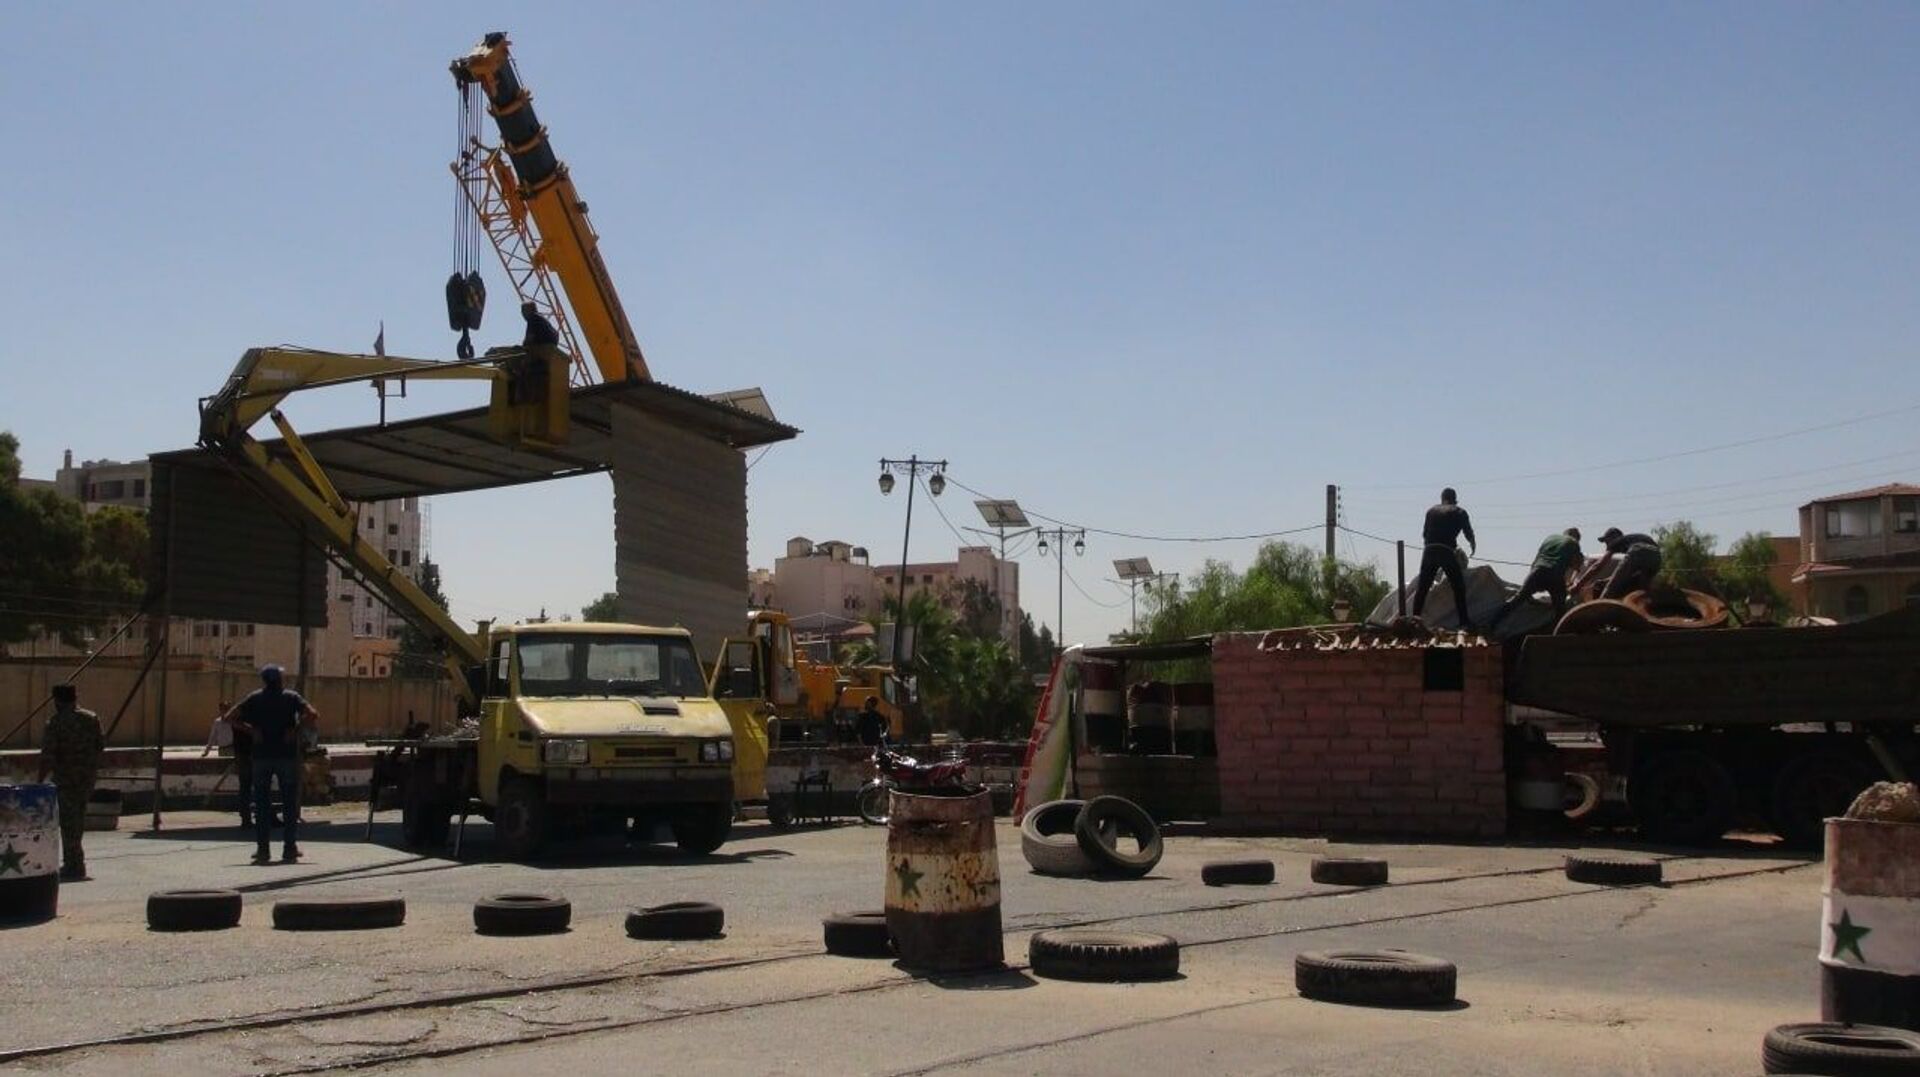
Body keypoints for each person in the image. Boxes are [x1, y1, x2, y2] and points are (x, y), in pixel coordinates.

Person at [224, 665, 318, 865]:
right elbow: (313, 714)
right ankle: (289, 849)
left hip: (261, 756)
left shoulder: (254, 698)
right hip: (286, 756)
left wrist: (251, 731)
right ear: (280, 679)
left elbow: (229, 717)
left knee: (261, 804)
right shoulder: (292, 697)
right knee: (289, 804)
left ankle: (263, 850)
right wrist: (296, 729)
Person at [37, 684, 104, 881]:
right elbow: (100, 746)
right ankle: (76, 862)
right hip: (86, 778)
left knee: (68, 823)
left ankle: (74, 865)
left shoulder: (56, 723)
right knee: (78, 821)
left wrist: (39, 782)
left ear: (57, 701)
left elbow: (47, 756)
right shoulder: (91, 719)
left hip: (66, 779)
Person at [1489, 528, 1585, 630]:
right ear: (1576, 537)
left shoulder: (1550, 538)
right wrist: (1572, 582)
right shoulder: (1574, 543)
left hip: (1537, 571)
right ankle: (1558, 632)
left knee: (1517, 599)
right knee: (1560, 610)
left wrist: (1531, 584)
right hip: (1555, 575)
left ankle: (1491, 623)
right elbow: (1576, 566)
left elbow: (1537, 559)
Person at [1412, 487, 1478, 631]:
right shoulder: (1459, 511)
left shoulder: (1430, 511)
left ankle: (1414, 620)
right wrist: (1473, 545)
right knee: (1458, 587)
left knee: (1422, 587)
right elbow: (1468, 533)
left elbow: (1424, 534)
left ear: (1442, 499)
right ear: (1455, 500)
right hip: (1446, 550)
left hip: (1429, 550)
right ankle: (1464, 621)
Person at [201, 700, 260, 828]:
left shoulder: (237, 723)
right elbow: (213, 736)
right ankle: (248, 816)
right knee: (250, 786)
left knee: (248, 787)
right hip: (241, 754)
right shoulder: (236, 724)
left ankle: (249, 816)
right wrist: (207, 750)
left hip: (239, 752)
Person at [1596, 527, 1664, 599]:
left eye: (1606, 541)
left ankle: (1600, 605)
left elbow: (1597, 565)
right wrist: (1606, 580)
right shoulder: (1632, 540)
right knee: (1641, 589)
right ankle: (1644, 605)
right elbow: (1626, 575)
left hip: (1639, 550)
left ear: (1614, 537)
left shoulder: (1617, 541)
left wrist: (1582, 582)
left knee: (1611, 588)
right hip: (1656, 555)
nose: (1606, 545)